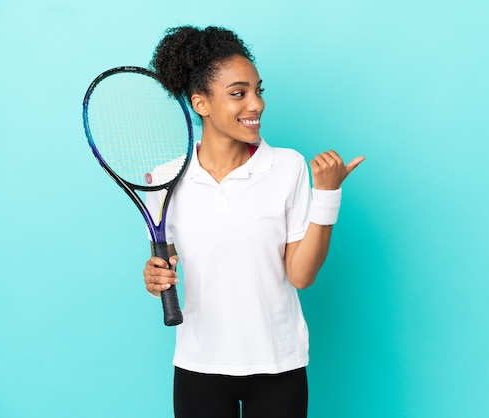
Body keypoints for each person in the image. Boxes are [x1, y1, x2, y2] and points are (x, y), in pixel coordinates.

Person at [142, 25, 365, 418]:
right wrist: (155, 276)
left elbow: (300, 275)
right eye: (238, 93)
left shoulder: (287, 166)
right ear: (201, 103)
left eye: (259, 90)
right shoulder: (165, 179)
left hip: (278, 363)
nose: (256, 104)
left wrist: (327, 196)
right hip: (199, 365)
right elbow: (166, 265)